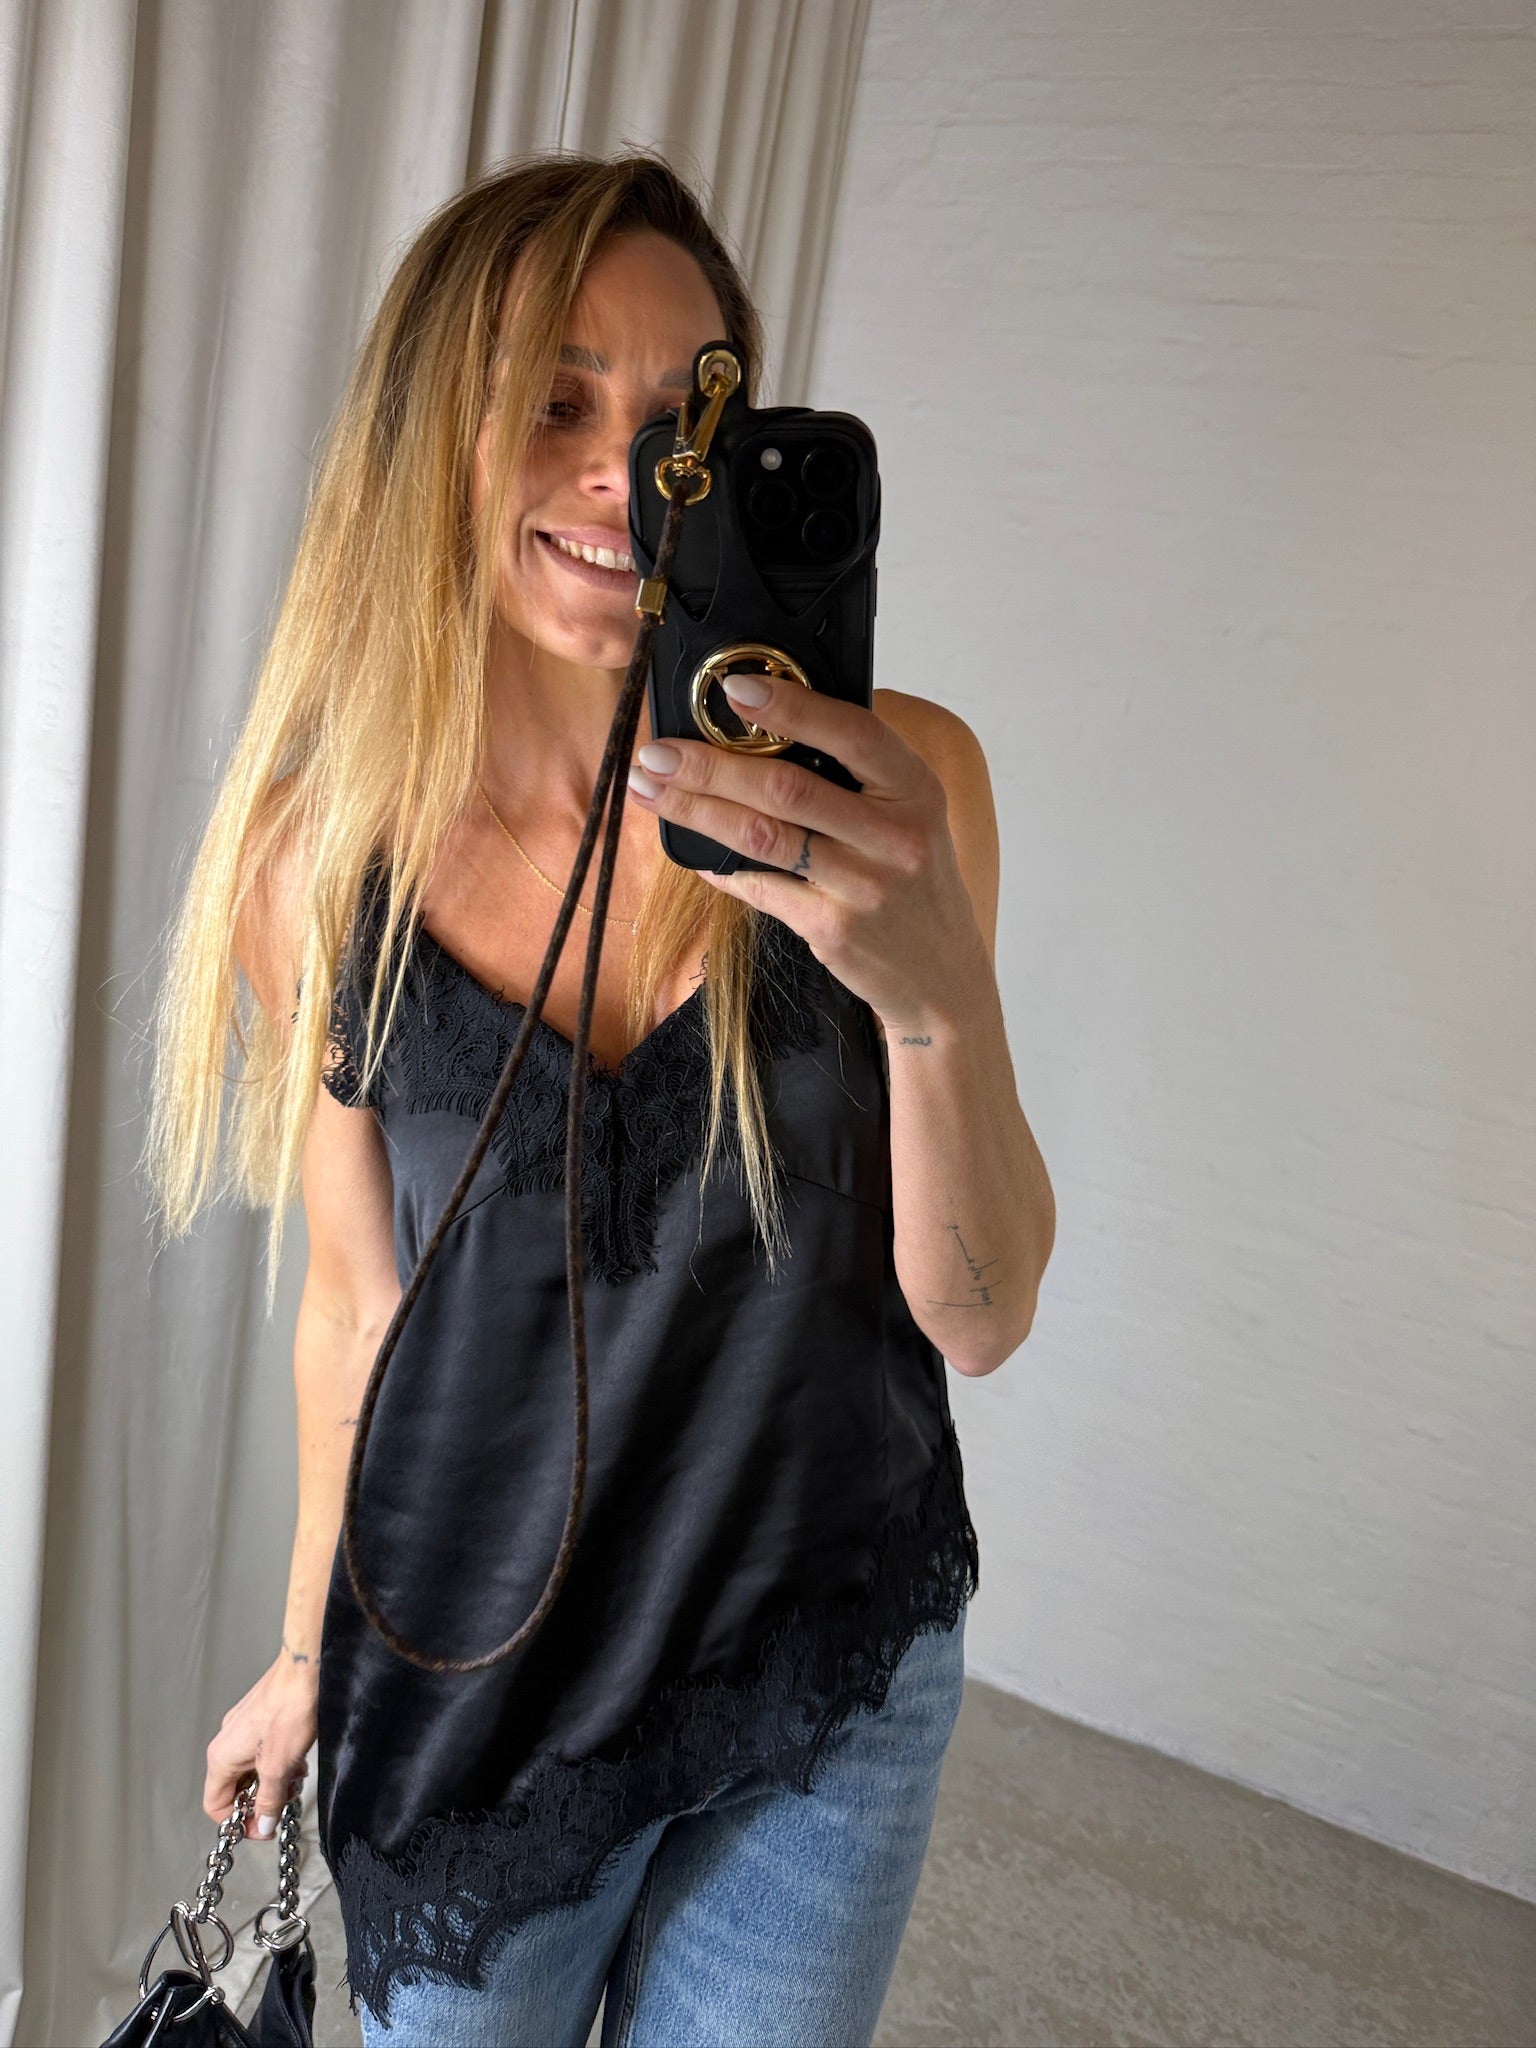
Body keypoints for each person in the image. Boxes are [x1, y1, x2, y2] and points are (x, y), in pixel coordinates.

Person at [145, 151, 1055, 2047]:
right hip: (477, 1703)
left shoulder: (904, 796)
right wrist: (308, 1647)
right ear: (432, 436)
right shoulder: (321, 865)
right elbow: (358, 1302)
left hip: (826, 1665)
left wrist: (937, 1003)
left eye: (677, 426)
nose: (628, 484)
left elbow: (980, 1321)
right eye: (554, 404)